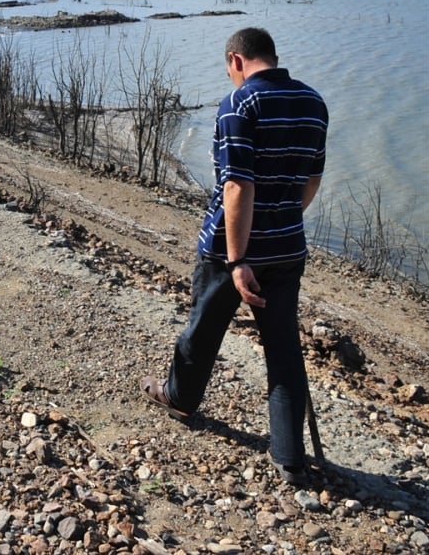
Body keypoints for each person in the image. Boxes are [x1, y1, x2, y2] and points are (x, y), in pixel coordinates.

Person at [140, 27, 328, 486]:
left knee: (202, 328)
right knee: (283, 349)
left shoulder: (240, 102)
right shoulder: (313, 102)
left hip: (232, 249)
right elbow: (312, 180)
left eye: (229, 68)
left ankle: (180, 398)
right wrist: (278, 218)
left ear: (236, 60)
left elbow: (237, 184)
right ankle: (289, 458)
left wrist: (239, 257)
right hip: (287, 246)